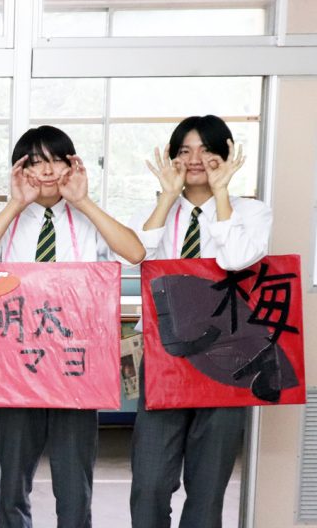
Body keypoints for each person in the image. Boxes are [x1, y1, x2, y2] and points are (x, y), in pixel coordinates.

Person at [0, 125, 145, 528]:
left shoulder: (87, 218)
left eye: (57, 160)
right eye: (36, 161)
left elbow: (134, 253)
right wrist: (14, 205)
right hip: (16, 369)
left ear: (72, 166)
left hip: (76, 368)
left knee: (74, 484)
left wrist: (84, 201)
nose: (46, 170)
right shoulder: (4, 219)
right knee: (14, 482)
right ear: (19, 169)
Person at [129, 115, 271, 528]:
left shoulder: (252, 211)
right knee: (150, 482)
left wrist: (222, 195)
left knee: (208, 487)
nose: (195, 159)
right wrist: (166, 199)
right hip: (165, 356)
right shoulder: (154, 211)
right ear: (172, 158)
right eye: (185, 150)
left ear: (227, 155)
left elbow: (237, 260)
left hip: (230, 357)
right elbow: (135, 255)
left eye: (207, 150)